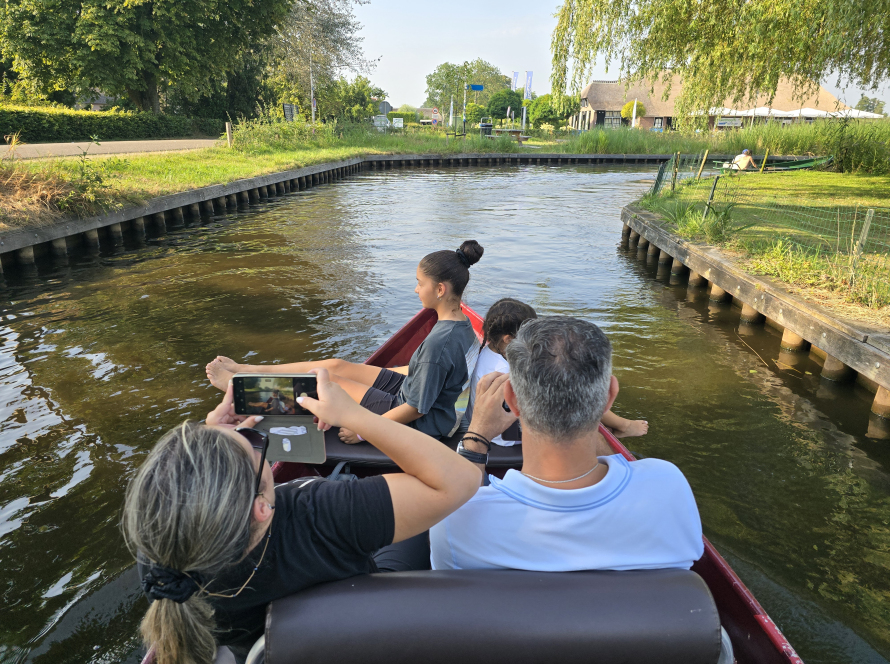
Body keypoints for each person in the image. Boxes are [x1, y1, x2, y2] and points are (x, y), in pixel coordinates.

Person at [124, 371, 481, 664]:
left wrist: (211, 443)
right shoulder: (318, 512)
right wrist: (355, 416)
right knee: (422, 530)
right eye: (253, 442)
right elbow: (459, 481)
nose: (248, 433)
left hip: (257, 645)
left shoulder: (158, 551)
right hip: (362, 610)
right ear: (261, 509)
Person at [432, 316, 703, 571]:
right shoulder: (669, 486)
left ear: (512, 401)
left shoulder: (456, 523)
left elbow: (459, 500)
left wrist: (477, 436)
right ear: (609, 396)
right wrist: (584, 411)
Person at [205, 241, 484, 442]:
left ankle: (238, 389)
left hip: (422, 422)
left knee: (327, 384)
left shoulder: (439, 344)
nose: (415, 289)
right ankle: (247, 369)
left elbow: (415, 409)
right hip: (416, 392)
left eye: (419, 283)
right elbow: (433, 377)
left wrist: (365, 431)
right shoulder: (463, 327)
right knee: (337, 365)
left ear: (439, 289)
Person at [465, 298, 648, 444]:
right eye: (528, 337)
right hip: (504, 439)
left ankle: (618, 425)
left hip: (493, 429)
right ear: (507, 339)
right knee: (573, 390)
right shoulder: (503, 371)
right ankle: (623, 426)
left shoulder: (490, 351)